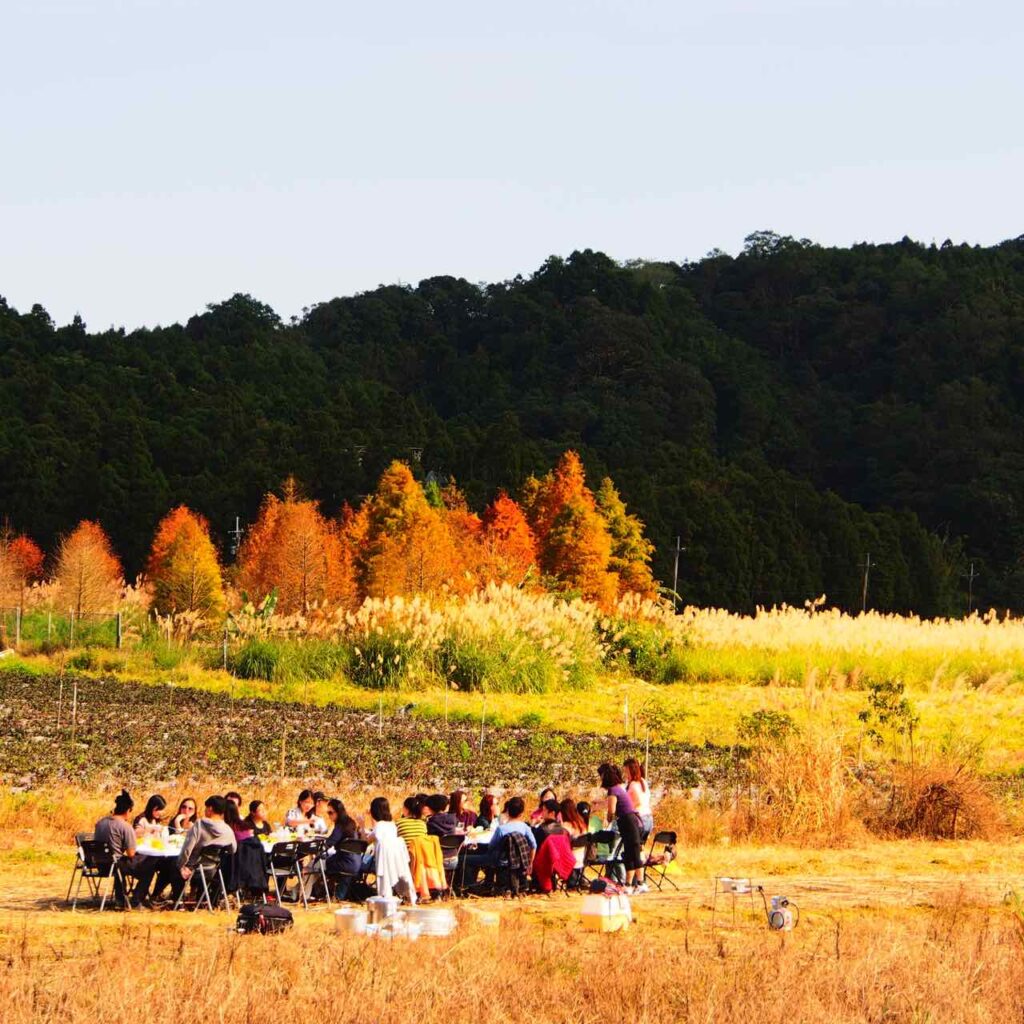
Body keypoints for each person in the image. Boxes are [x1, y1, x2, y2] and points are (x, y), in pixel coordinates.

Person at [94, 789, 163, 908]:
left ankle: (120, 899)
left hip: (98, 863)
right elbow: (131, 853)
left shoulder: (100, 822)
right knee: (149, 867)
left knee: (122, 863)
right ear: (127, 810)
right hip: (114, 864)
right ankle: (137, 899)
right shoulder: (125, 826)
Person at [169, 795, 238, 904]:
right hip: (213, 870)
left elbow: (187, 850)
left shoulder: (199, 825)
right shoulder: (227, 830)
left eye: (206, 808)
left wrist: (181, 865)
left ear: (210, 809)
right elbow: (233, 850)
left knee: (172, 864)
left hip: (194, 868)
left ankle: (178, 901)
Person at [599, 763, 645, 893]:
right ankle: (628, 885)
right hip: (626, 822)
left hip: (628, 821)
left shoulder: (613, 790)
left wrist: (608, 820)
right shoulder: (619, 787)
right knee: (629, 853)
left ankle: (641, 883)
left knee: (634, 853)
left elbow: (611, 811)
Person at [366, 797, 416, 904]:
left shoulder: (378, 826)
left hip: (383, 863)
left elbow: (367, 841)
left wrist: (361, 824)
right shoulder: (392, 825)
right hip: (397, 861)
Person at [322, 799, 362, 900]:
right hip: (356, 863)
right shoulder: (351, 823)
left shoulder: (340, 826)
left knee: (320, 864)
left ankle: (312, 892)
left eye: (331, 812)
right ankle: (337, 895)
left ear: (338, 812)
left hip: (345, 863)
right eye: (328, 812)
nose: (329, 815)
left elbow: (329, 843)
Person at [624, 757, 654, 841]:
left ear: (631, 771)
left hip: (640, 820)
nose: (625, 775)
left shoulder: (633, 785)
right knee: (640, 849)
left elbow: (636, 802)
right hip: (649, 819)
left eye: (626, 772)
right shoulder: (643, 781)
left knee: (632, 849)